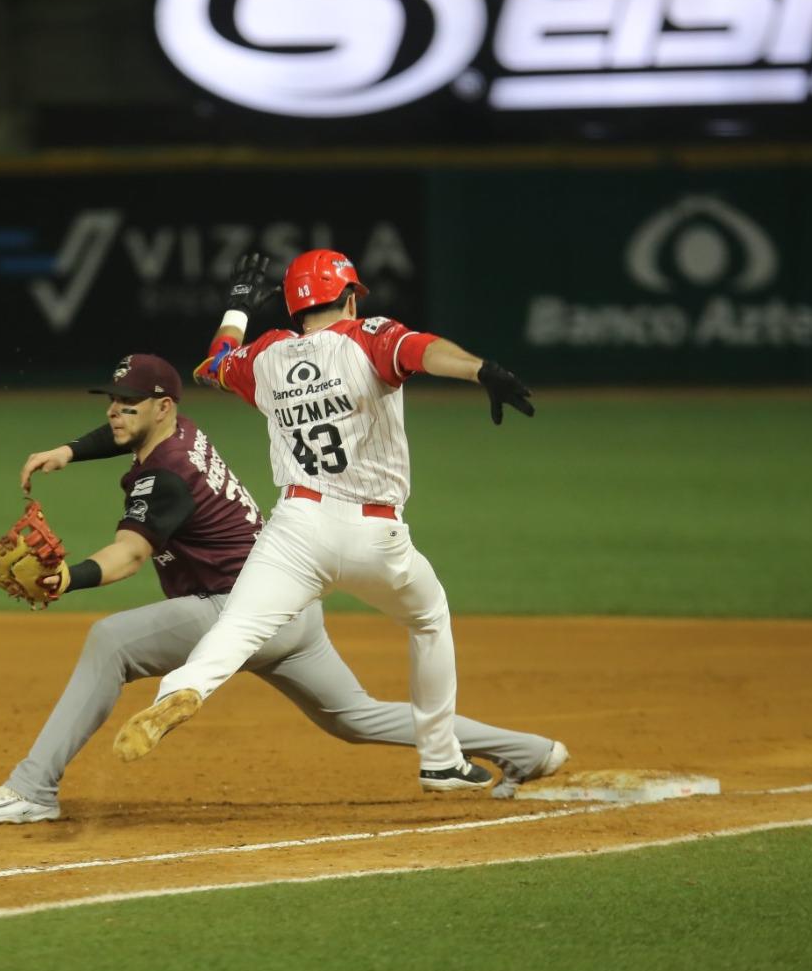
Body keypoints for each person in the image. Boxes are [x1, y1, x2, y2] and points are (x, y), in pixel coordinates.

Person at [0, 353, 559, 823]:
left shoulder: (163, 478)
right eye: (113, 401)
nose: (116, 411)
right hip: (290, 609)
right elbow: (124, 435)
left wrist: (68, 578)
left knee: (108, 642)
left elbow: (128, 556)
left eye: (129, 403)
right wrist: (68, 450)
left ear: (162, 406)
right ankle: (526, 751)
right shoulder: (181, 433)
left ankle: (33, 788)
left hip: (233, 613)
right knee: (354, 717)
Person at [113, 252, 567, 798]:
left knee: (237, 627)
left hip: (295, 528)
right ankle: (441, 761)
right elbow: (424, 351)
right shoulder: (369, 337)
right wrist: (482, 370)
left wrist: (237, 307)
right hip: (374, 536)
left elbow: (212, 365)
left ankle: (180, 691)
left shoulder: (267, 355)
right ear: (350, 296)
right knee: (429, 618)